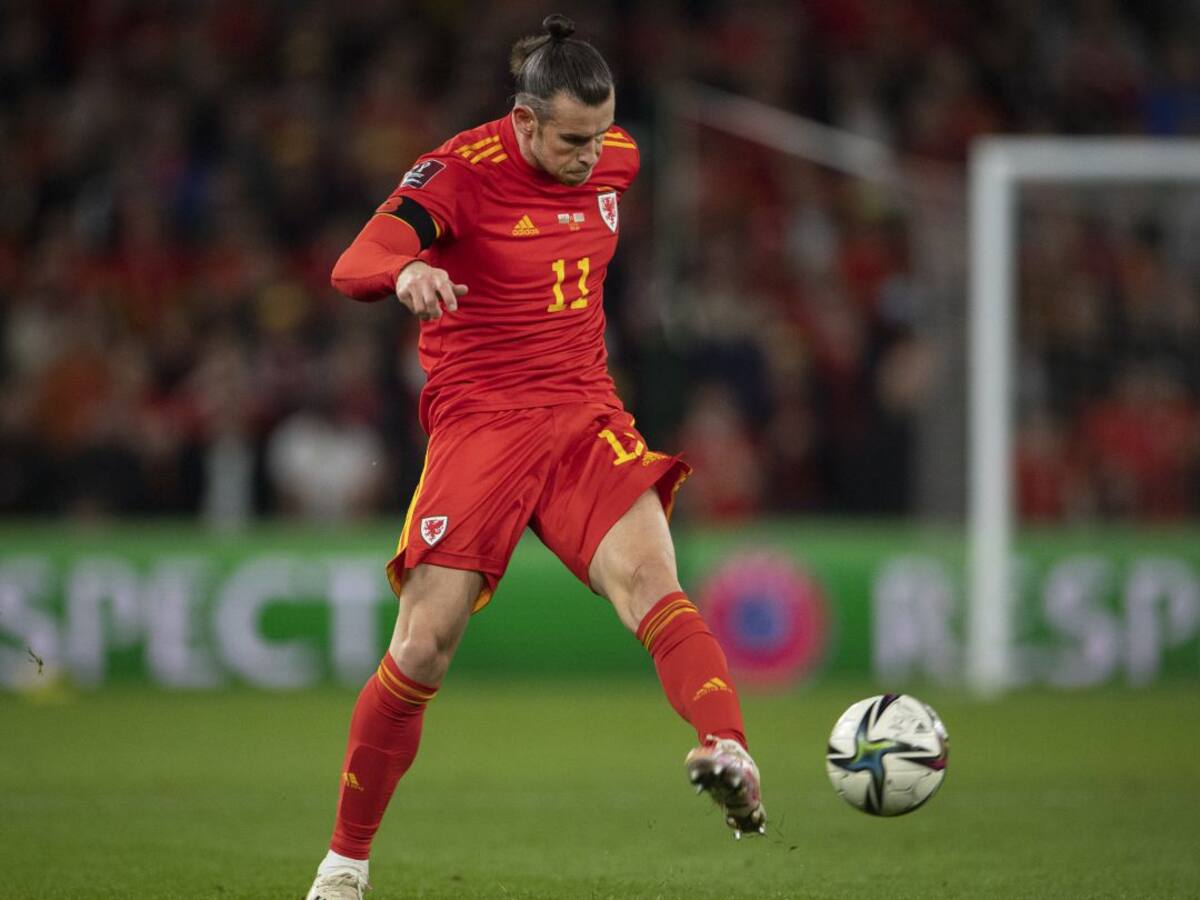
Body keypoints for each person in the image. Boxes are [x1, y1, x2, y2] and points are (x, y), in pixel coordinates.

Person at [306, 15, 766, 900]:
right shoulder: (459, 173)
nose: (592, 156)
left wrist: (596, 147)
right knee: (425, 645)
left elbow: (606, 154)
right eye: (571, 140)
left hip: (584, 412)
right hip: (482, 423)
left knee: (653, 583)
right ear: (523, 120)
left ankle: (730, 752)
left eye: (601, 135)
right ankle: (344, 865)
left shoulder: (618, 155)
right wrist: (406, 273)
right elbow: (356, 259)